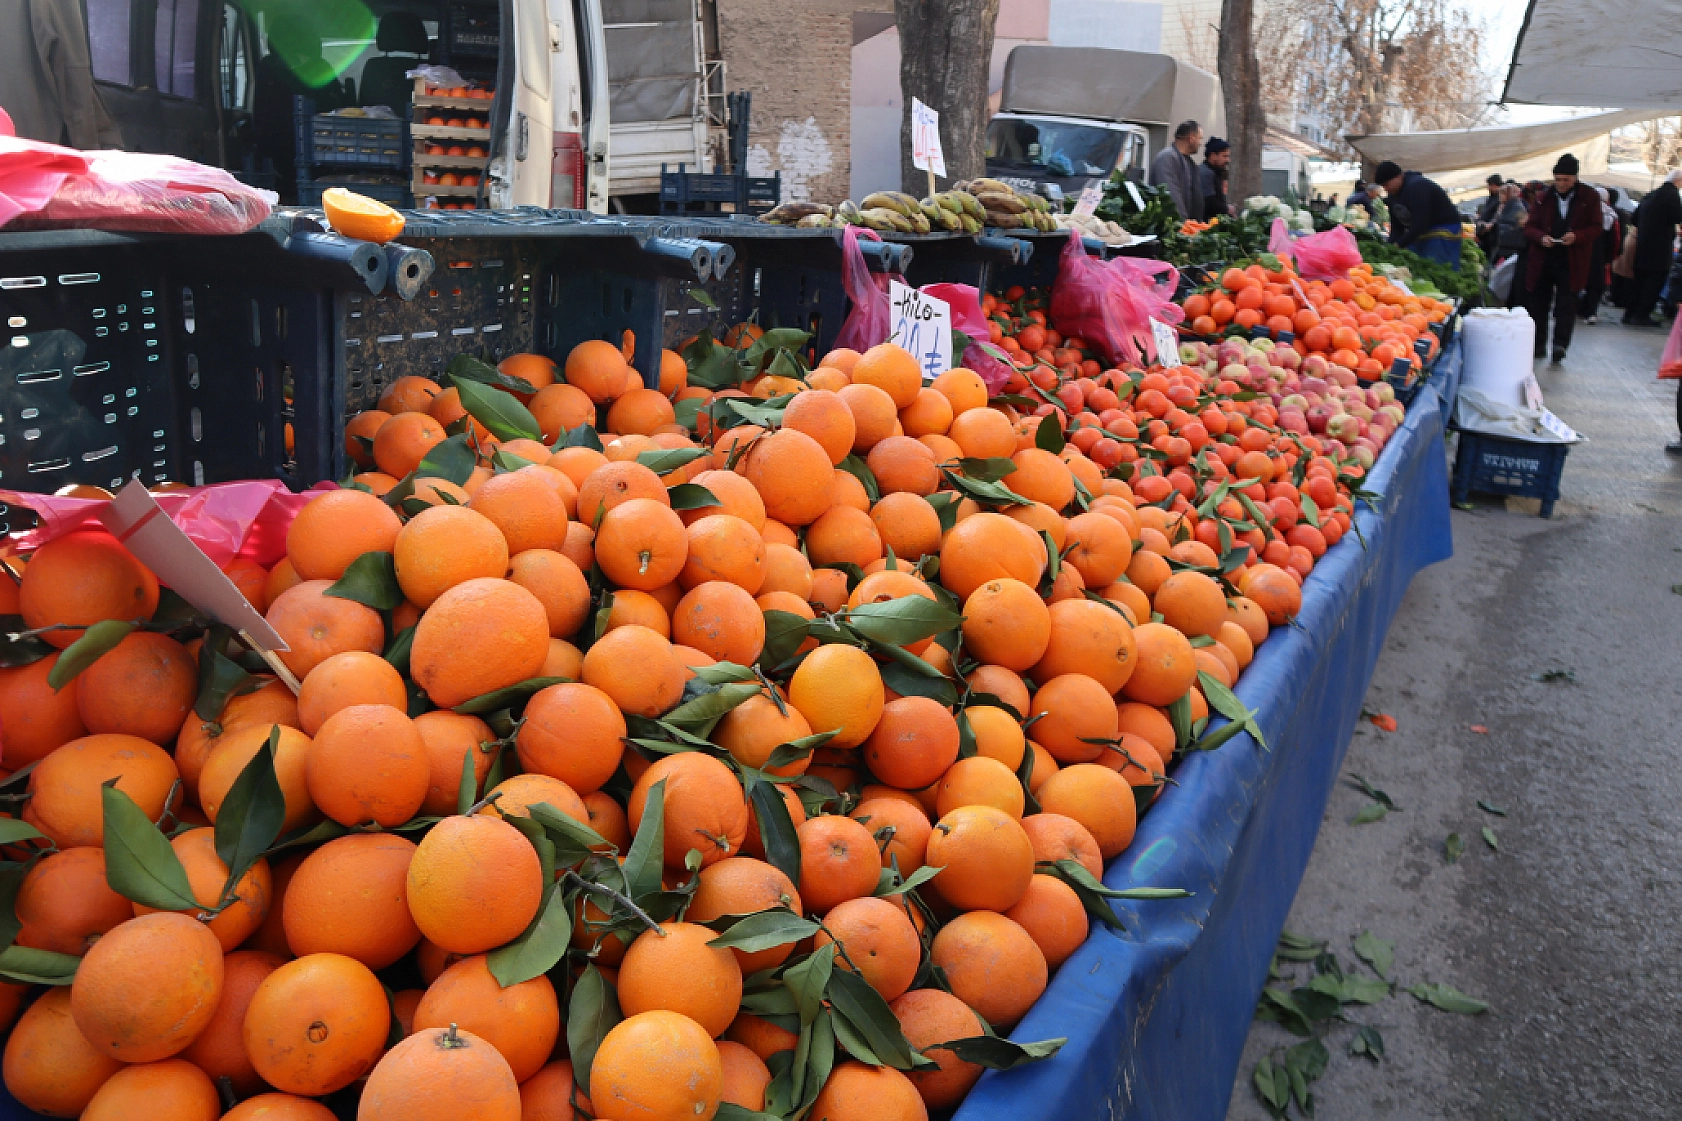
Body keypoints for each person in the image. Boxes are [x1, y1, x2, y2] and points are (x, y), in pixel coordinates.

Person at [1522, 154, 1603, 364]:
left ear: (1575, 178)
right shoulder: (1543, 197)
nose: (1561, 184)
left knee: (1567, 304)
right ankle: (1537, 344)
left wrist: (1577, 236)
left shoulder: (1589, 197)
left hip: (1572, 258)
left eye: (1566, 179)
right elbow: (1530, 227)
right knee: (1539, 303)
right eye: (1558, 179)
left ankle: (1560, 345)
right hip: (1543, 257)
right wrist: (1541, 238)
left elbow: (1596, 227)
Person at [1371, 160, 1464, 268]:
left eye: (1387, 184)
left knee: (1439, 267)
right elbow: (1397, 227)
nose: (1386, 189)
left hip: (1443, 230)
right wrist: (1390, 246)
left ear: (1399, 176)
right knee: (1419, 266)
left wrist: (1399, 244)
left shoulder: (1417, 186)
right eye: (1383, 186)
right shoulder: (1393, 196)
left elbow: (1421, 222)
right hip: (1421, 231)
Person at [1624, 168, 1682, 326]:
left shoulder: (1650, 195)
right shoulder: (1672, 195)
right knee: (1654, 282)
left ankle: (1630, 314)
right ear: (1678, 181)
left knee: (1639, 282)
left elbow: (1634, 218)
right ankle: (1642, 315)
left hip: (1643, 246)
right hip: (1660, 249)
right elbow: (1678, 216)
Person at [1149, 121, 1204, 221]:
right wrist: (1182, 224)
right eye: (1200, 138)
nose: (1200, 143)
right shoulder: (1167, 158)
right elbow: (1171, 196)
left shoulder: (1188, 162)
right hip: (1173, 228)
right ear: (1191, 138)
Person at [1579, 186, 1619, 324]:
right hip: (1598, 255)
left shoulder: (1582, 211)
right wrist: (1610, 258)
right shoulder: (1610, 215)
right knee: (1595, 285)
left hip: (1580, 251)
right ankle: (1590, 312)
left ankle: (1574, 309)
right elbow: (1614, 241)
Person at [1200, 137, 1231, 218]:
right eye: (1224, 156)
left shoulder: (1215, 172)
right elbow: (1209, 202)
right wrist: (1227, 209)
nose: (1228, 160)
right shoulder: (1206, 173)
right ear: (1213, 156)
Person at [1475, 173, 1505, 254]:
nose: (1488, 188)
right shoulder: (1491, 198)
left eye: (1489, 185)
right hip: (1485, 235)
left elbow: (1497, 216)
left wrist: (1488, 224)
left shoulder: (1500, 199)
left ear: (1494, 185)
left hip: (1492, 236)